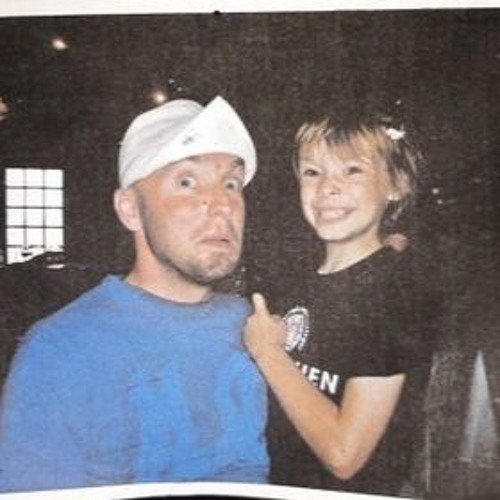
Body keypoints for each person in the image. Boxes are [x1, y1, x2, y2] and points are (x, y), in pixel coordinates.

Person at [0, 96, 269, 492]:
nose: (222, 205)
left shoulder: (253, 327)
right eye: (187, 182)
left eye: (231, 183)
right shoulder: (59, 351)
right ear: (130, 209)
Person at [244, 110, 441, 496]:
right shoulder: (299, 280)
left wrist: (269, 353)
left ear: (397, 184)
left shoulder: (395, 294)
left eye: (352, 170)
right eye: (312, 172)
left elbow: (344, 455)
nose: (327, 188)